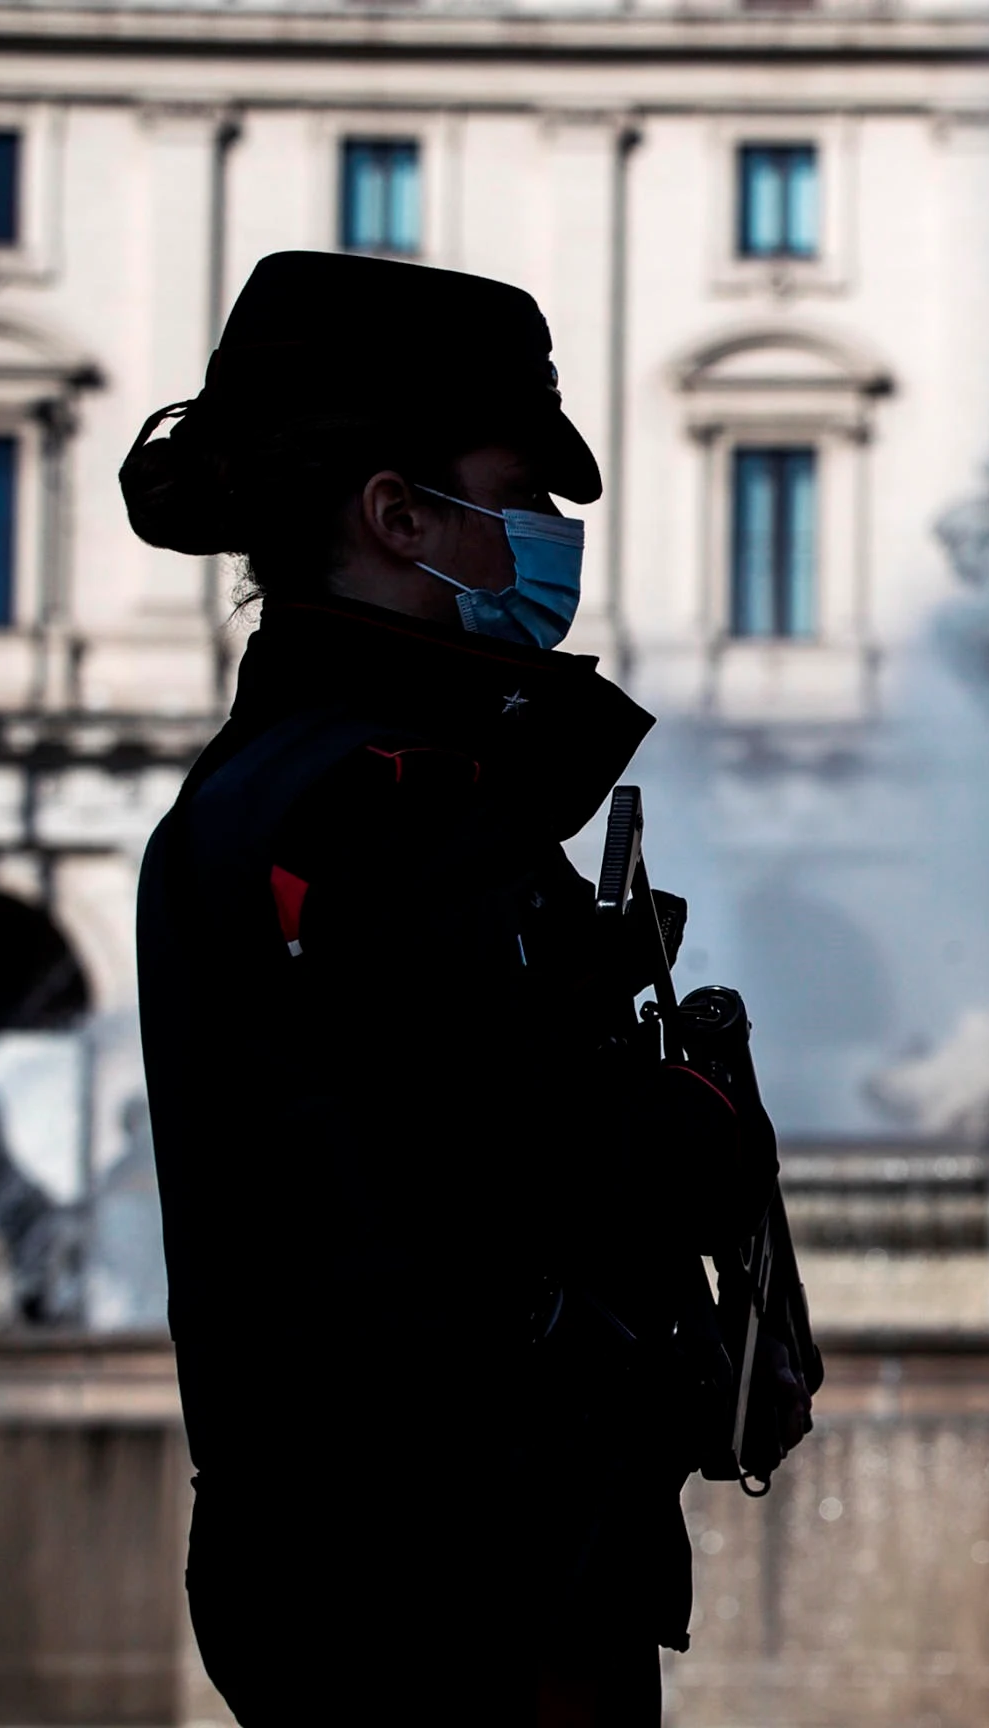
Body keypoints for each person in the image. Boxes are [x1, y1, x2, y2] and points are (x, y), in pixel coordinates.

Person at [127, 252, 809, 1726]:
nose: (552, 535)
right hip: (463, 1564)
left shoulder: (274, 788)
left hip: (365, 1551)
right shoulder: (389, 802)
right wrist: (697, 1124)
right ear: (399, 515)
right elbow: (507, 1168)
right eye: (522, 492)